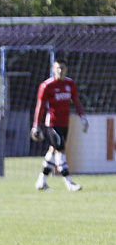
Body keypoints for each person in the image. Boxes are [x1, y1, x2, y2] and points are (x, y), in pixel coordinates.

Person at [31, 59, 88, 192]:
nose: (60, 71)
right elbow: (40, 107)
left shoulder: (70, 84)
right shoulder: (46, 86)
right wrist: (36, 125)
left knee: (52, 150)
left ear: (66, 69)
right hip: (51, 124)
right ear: (53, 69)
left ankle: (41, 181)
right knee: (60, 151)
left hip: (64, 123)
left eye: (62, 68)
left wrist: (83, 118)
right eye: (58, 68)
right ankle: (69, 183)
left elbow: (76, 102)